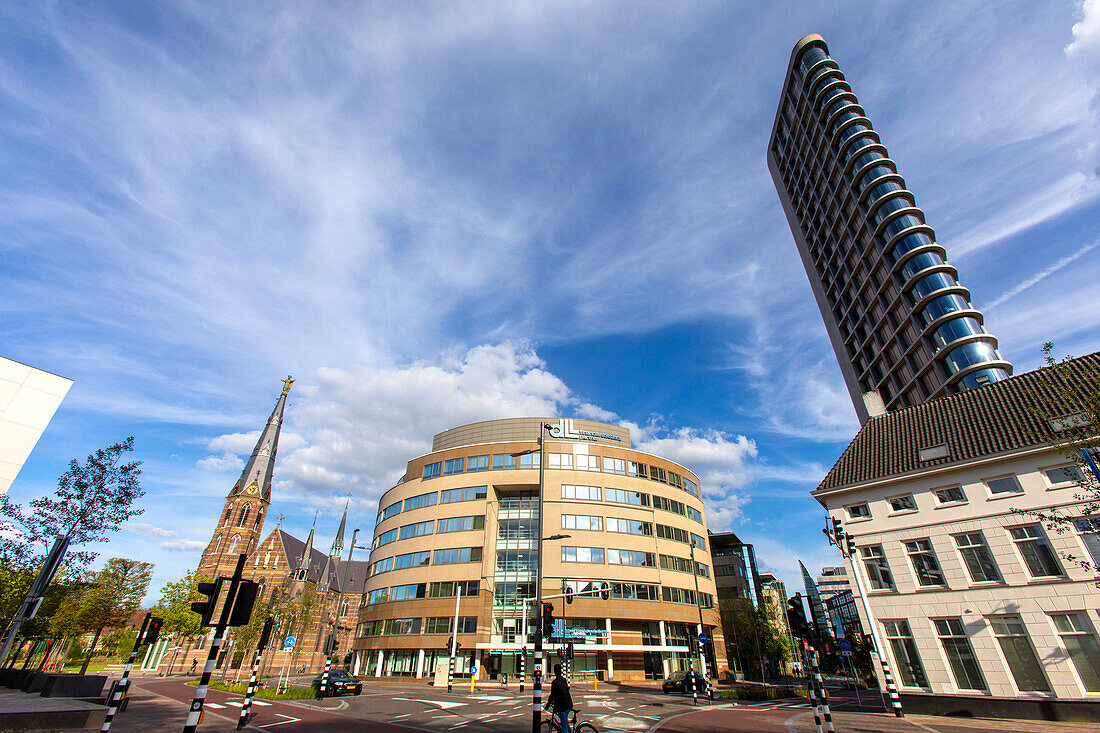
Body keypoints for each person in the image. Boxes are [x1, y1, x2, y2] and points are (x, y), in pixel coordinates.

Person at [547, 664, 573, 733]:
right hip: (568, 704)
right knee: (564, 721)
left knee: (564, 730)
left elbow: (552, 695)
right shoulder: (564, 680)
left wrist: (548, 705)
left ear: (554, 672)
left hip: (563, 707)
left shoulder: (555, 682)